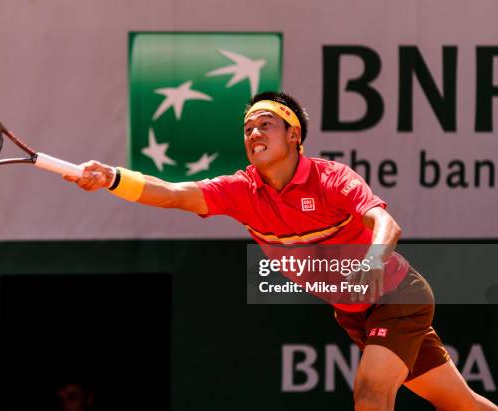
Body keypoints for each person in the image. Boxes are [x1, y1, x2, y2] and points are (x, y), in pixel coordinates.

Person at [63, 91, 496, 411]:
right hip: (354, 313)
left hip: (397, 296)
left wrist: (372, 261)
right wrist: (114, 177)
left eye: (265, 124)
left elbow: (385, 223)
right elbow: (175, 193)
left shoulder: (330, 178)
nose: (254, 133)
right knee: (464, 406)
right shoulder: (239, 191)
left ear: (294, 134)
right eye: (248, 128)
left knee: (370, 393)